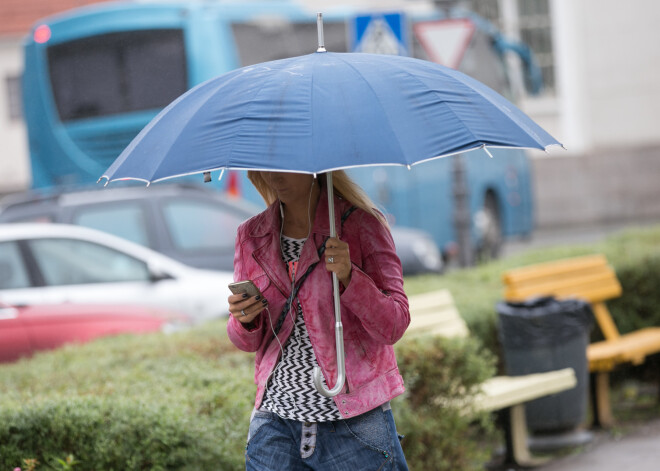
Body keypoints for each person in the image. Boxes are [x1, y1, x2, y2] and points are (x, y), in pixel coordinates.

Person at [227, 170, 410, 470]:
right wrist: (244, 320)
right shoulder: (251, 235)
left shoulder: (360, 224)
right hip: (276, 423)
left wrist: (351, 277)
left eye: (283, 162)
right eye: (265, 164)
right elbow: (245, 341)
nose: (273, 174)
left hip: (354, 421)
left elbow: (395, 323)